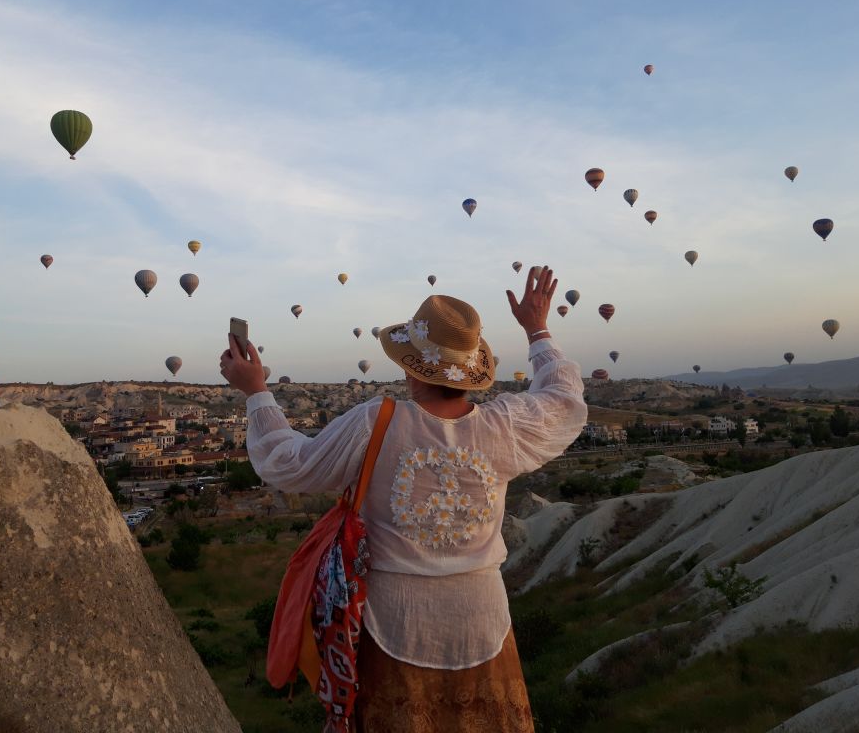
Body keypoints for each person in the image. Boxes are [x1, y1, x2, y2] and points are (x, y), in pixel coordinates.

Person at [220, 266, 586, 732]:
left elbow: (291, 464)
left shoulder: (379, 420)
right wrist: (538, 328)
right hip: (483, 620)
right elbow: (564, 400)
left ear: (409, 364)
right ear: (470, 371)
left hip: (393, 623)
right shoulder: (507, 425)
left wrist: (255, 392)